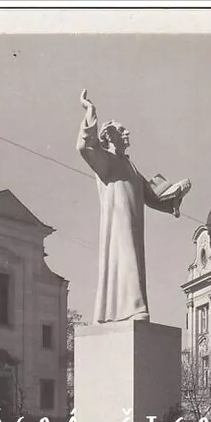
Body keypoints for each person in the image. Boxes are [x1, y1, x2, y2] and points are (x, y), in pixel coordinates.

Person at [77, 89, 191, 323]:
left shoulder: (129, 165)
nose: (127, 133)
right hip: (118, 223)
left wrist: (174, 196)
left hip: (134, 222)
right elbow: (84, 148)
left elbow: (152, 196)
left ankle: (130, 309)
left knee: (133, 263)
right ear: (110, 136)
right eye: (122, 131)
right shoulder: (106, 161)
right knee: (125, 259)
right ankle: (132, 309)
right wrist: (90, 112)